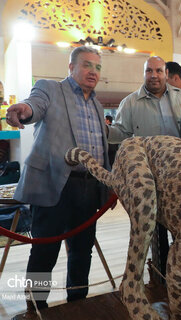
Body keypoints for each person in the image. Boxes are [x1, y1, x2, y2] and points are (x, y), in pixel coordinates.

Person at [6, 46, 110, 311]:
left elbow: (102, 147)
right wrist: (24, 110)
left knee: (81, 251)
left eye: (97, 67)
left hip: (88, 187)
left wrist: (107, 186)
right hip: (54, 184)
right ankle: (36, 307)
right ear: (71, 67)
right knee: (44, 250)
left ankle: (78, 305)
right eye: (87, 65)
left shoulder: (98, 105)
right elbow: (35, 105)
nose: (93, 72)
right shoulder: (50, 89)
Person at [106, 55, 181, 284]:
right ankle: (160, 281)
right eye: (149, 71)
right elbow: (119, 134)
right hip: (149, 180)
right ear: (144, 74)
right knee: (153, 232)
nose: (154, 75)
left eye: (159, 71)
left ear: (166, 74)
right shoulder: (130, 103)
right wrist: (101, 129)